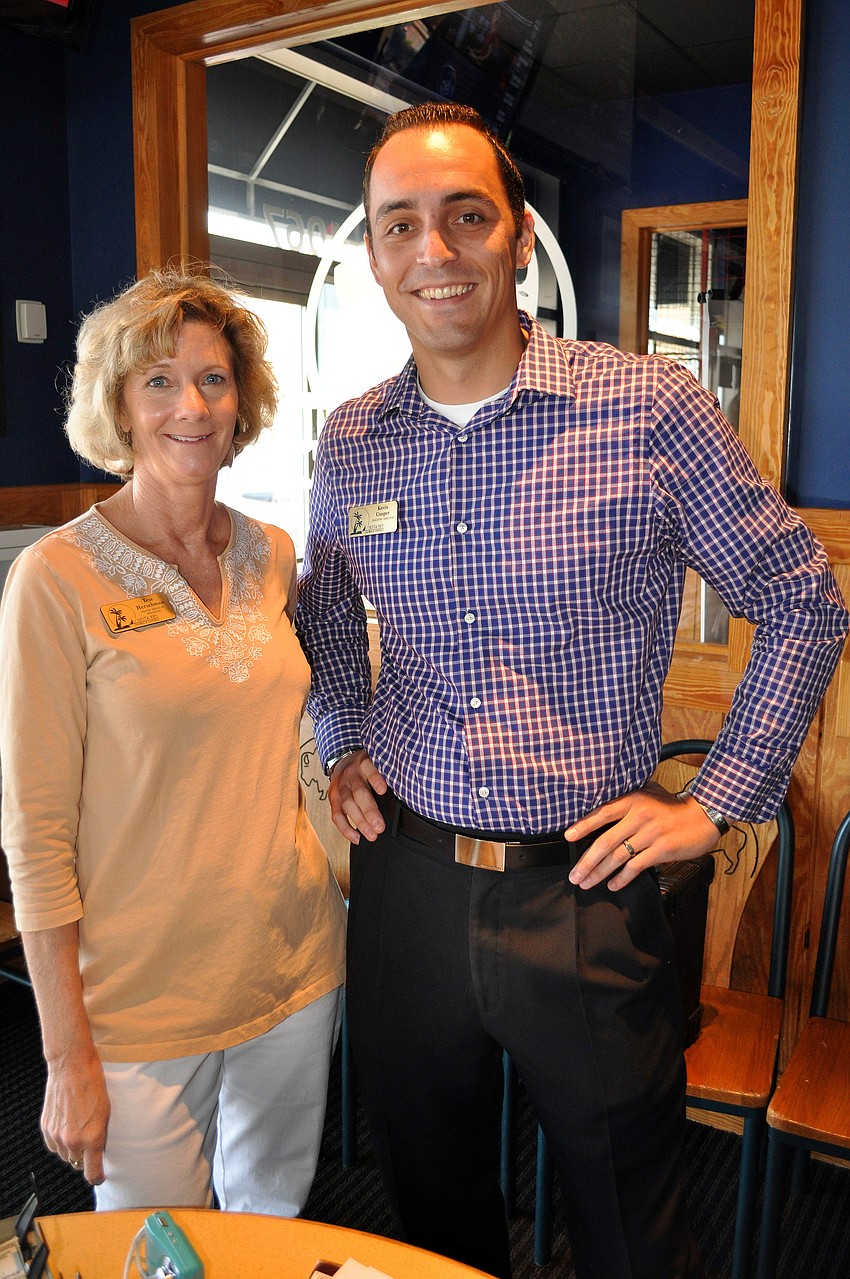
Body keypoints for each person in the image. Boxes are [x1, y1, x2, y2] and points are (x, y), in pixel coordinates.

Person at [295, 102, 850, 1279]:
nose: (433, 252)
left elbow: (805, 594)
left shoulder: (647, 407)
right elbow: (326, 601)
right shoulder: (350, 439)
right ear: (373, 255)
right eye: (400, 226)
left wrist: (716, 801)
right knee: (424, 1190)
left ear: (517, 233)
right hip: (405, 877)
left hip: (584, 885)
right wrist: (341, 732)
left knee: (626, 1216)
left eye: (465, 217)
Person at [0, 269, 347, 1213]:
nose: (190, 405)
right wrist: (65, 1052)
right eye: (157, 381)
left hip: (295, 965)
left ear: (242, 403)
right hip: (138, 1002)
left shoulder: (272, 552)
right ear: (117, 404)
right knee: (159, 1251)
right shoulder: (53, 579)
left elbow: (294, 736)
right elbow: (34, 837)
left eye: (213, 380)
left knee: (274, 1223)